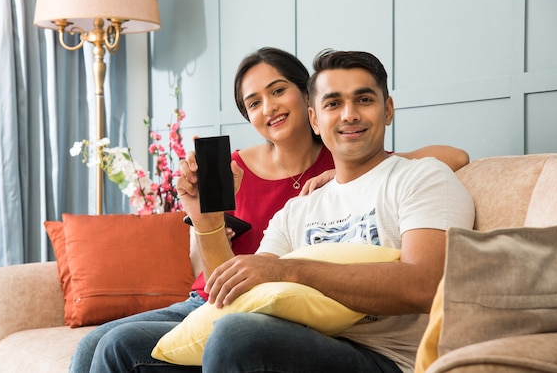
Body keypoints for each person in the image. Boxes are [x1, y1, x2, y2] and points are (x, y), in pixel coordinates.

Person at [73, 47, 470, 372]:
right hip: (289, 334)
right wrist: (207, 221)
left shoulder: (420, 177)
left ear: (387, 110)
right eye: (334, 103)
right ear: (317, 116)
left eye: (364, 100)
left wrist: (287, 268)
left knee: (238, 335)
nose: (349, 114)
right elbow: (236, 294)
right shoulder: (297, 209)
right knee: (116, 345)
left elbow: (424, 286)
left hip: (383, 356)